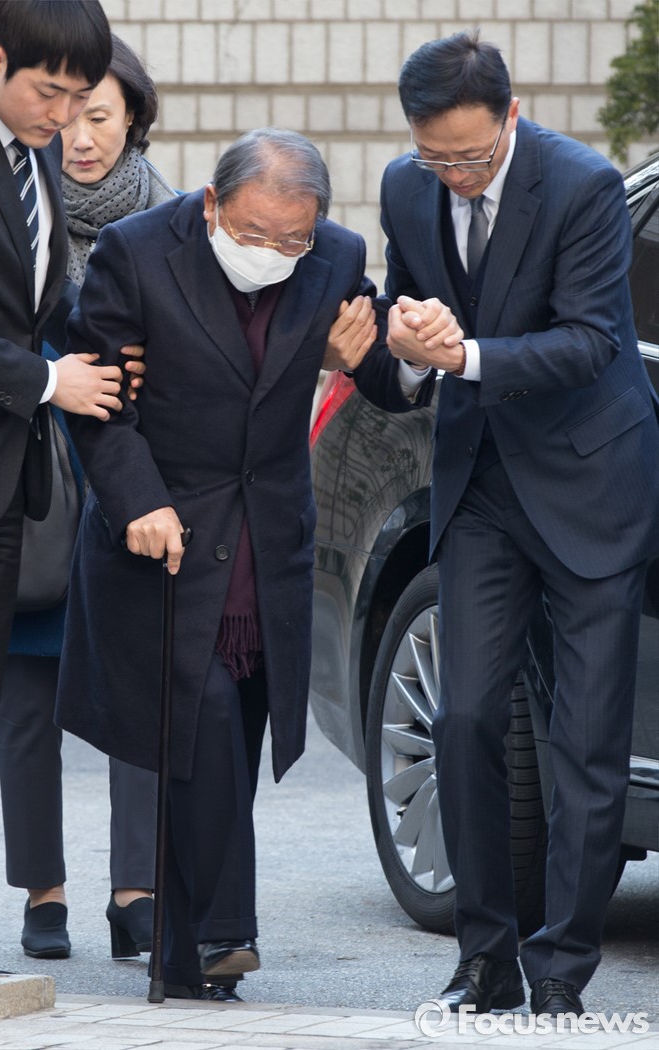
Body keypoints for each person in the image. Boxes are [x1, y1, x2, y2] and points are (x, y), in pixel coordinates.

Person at [54, 127, 460, 1002]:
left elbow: (377, 374)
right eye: (254, 232)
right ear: (212, 205)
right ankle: (228, 931)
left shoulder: (333, 257)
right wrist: (137, 500)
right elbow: (100, 402)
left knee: (229, 735)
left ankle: (186, 960)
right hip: (163, 535)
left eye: (292, 238)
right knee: (196, 715)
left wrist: (403, 354)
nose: (273, 251)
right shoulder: (137, 252)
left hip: (264, 541)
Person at [349, 30, 659, 1020]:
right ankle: (484, 961)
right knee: (466, 716)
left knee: (587, 742)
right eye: (436, 158)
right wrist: (401, 346)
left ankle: (561, 970)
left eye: (473, 157)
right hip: (480, 482)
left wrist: (465, 356)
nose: (455, 175)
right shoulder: (406, 189)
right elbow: (406, 334)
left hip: (591, 484)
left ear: (512, 117)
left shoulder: (582, 187)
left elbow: (591, 341)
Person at [0, 36, 176, 963]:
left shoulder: (175, 219)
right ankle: (45, 891)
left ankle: (136, 891)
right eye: (68, 112)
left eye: (100, 115)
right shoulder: (14, 205)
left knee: (137, 690)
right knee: (26, 697)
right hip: (32, 475)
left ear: (132, 120)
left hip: (134, 481)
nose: (80, 135)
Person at [0, 0, 132, 970]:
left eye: (80, 98)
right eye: (50, 92)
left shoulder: (33, 152)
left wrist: (118, 349)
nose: (65, 117)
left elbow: (39, 301)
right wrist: (42, 381)